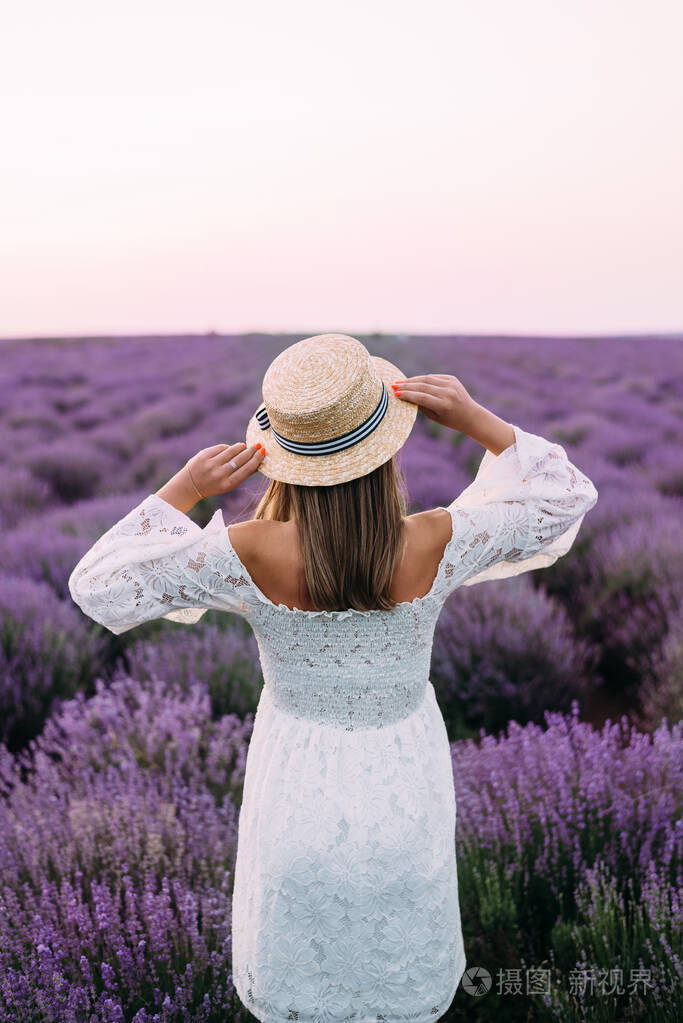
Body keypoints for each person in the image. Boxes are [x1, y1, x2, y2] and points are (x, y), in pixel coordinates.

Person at [68, 333, 599, 1022]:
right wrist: (477, 420)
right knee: (397, 943)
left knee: (303, 958)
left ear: (284, 460)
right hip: (402, 775)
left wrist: (187, 488)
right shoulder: (438, 537)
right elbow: (566, 496)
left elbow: (98, 586)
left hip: (298, 780)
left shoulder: (246, 550)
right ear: (385, 451)